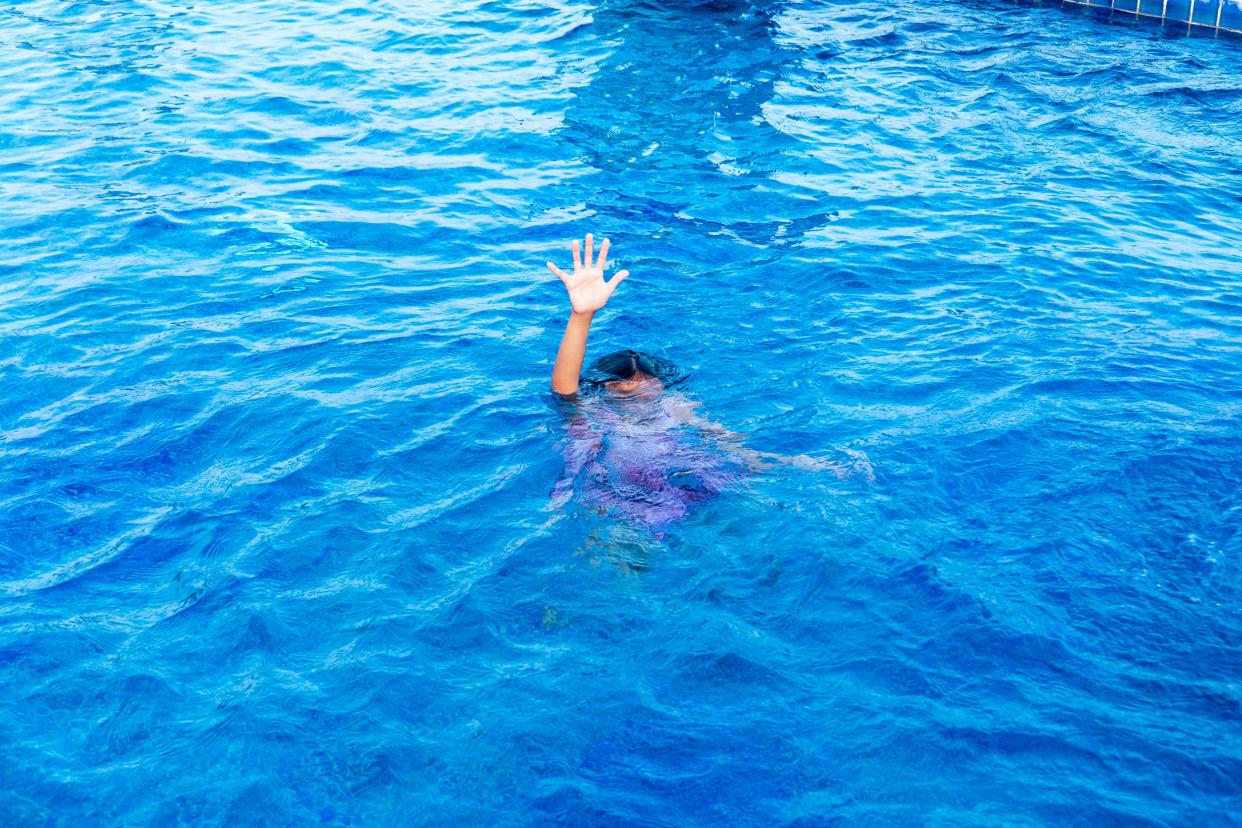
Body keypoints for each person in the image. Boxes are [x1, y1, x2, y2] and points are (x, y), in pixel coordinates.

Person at [547, 233, 871, 529]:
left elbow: (739, 451)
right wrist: (581, 316)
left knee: (758, 512)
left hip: (690, 480)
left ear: (661, 385)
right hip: (620, 494)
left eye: (647, 382)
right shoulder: (591, 414)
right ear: (604, 388)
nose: (638, 390)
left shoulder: (676, 407)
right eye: (624, 384)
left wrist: (809, 464)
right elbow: (564, 389)